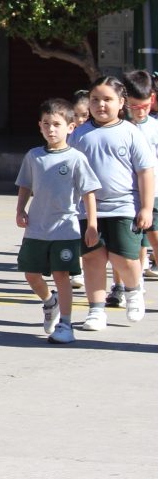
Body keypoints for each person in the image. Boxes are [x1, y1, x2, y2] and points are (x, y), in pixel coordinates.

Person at [69, 76, 155, 330]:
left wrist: (146, 207)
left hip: (124, 207)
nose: (100, 105)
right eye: (95, 99)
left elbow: (145, 172)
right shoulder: (80, 135)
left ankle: (134, 288)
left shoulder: (131, 133)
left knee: (124, 259)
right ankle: (96, 310)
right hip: (88, 211)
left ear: (121, 103)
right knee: (93, 258)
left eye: (107, 99)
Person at [14, 98, 100, 344]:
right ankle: (49, 302)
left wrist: (92, 225)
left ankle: (66, 323)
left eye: (57, 124)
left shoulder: (75, 159)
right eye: (46, 124)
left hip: (65, 229)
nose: (51, 129)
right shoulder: (34, 156)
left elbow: (88, 193)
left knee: (62, 275)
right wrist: (20, 209)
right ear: (39, 126)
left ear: (70, 128)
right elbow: (25, 185)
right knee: (31, 274)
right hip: (36, 229)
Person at [122, 70, 158, 282]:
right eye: (134, 107)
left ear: (151, 99)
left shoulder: (154, 127)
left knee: (153, 235)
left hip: (152, 190)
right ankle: (133, 284)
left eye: (144, 106)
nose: (139, 111)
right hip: (126, 191)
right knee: (133, 240)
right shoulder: (122, 127)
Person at [70, 89, 92, 289]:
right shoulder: (70, 134)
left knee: (89, 233)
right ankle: (76, 271)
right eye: (75, 115)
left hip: (91, 192)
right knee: (75, 230)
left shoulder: (91, 133)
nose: (79, 119)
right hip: (74, 192)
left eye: (84, 115)